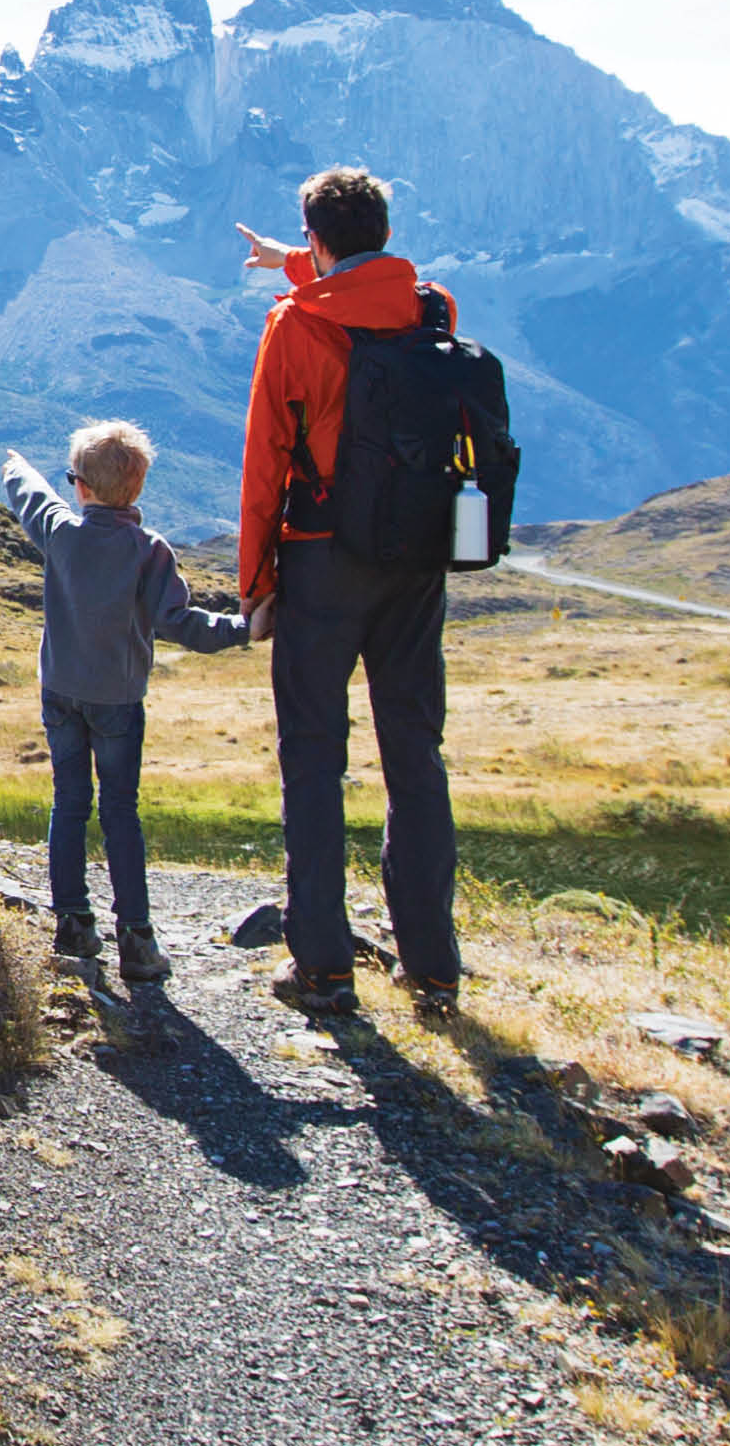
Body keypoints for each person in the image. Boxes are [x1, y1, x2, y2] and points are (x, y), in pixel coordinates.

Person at [236, 167, 463, 1019]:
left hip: (324, 559)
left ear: (319, 235)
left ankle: (325, 967)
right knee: (415, 754)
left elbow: (266, 462)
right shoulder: (433, 309)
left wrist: (257, 582)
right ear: (384, 229)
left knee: (313, 756)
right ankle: (433, 967)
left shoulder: (295, 327)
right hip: (416, 559)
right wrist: (296, 259)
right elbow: (370, 297)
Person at [0, 421, 251, 984]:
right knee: (120, 813)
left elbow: (30, 498)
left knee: (69, 805)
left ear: (80, 487)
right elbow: (180, 623)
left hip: (60, 693)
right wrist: (244, 627)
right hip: (118, 701)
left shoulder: (61, 532)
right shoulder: (149, 551)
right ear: (135, 488)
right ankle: (136, 940)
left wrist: (14, 464)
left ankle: (73, 925)